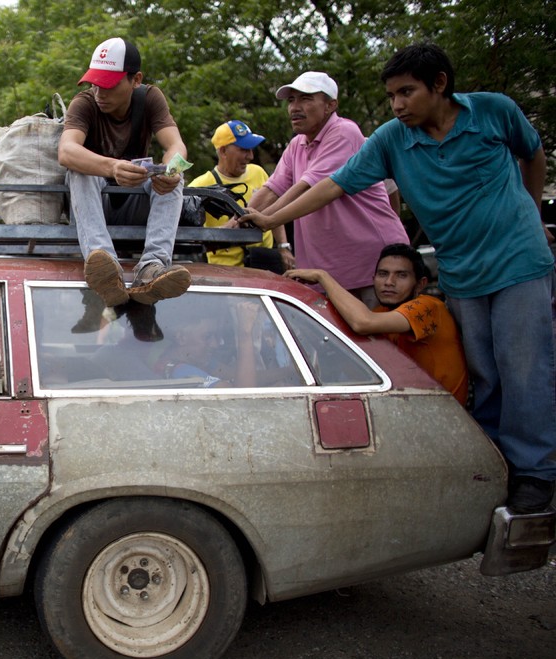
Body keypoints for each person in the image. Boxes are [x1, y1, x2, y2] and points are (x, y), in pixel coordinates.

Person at [239, 44, 555, 513]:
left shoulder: (494, 112)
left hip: (518, 260)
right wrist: (265, 220)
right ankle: (495, 461)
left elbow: (534, 156)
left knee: (524, 367)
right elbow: (333, 185)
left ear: (440, 85)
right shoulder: (391, 138)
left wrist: (530, 209)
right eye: (391, 96)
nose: (398, 105)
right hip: (461, 269)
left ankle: (536, 473)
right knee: (485, 372)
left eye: (407, 92)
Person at [227, 71, 409, 306]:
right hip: (325, 268)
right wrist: (230, 225)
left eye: (306, 99)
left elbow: (309, 187)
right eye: (291, 100)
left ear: (330, 105)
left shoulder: (344, 132)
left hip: (371, 264)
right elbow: (272, 189)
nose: (295, 107)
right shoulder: (296, 145)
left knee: (380, 340)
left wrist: (268, 220)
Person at [59, 37, 191, 307]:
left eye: (109, 85)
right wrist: (112, 166)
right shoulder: (83, 104)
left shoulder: (150, 98)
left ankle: (152, 268)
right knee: (79, 170)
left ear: (136, 79)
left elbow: (176, 146)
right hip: (90, 211)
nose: (99, 93)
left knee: (174, 177)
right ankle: (104, 267)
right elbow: (67, 151)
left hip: (133, 202)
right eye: (95, 83)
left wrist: (171, 171)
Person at [287, 243, 468, 404]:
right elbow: (354, 369)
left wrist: (323, 277)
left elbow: (363, 323)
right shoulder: (381, 313)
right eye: (383, 274)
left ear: (420, 284)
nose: (389, 282)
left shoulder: (428, 307)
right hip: (408, 406)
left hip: (442, 411)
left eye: (401, 275)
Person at [187, 119, 286, 270]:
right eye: (244, 149)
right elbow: (189, 234)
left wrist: (284, 246)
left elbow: (276, 211)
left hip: (263, 263)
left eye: (252, 150)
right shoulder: (200, 186)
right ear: (223, 151)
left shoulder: (258, 172)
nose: (250, 156)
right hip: (225, 271)